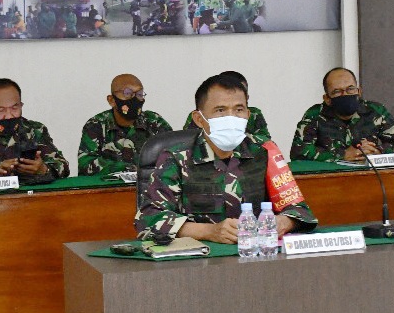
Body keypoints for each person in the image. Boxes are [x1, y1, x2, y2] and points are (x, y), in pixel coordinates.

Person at [136, 73, 317, 242]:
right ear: (199, 119)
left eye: (239, 109)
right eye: (220, 110)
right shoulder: (176, 158)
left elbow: (299, 210)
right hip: (202, 256)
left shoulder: (264, 151)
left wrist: (284, 222)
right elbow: (149, 219)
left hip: (255, 251)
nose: (231, 117)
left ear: (248, 115)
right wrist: (209, 231)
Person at [291, 67, 394, 162]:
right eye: (337, 91)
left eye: (350, 89)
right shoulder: (315, 114)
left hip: (369, 176)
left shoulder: (375, 110)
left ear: (359, 91)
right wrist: (342, 155)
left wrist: (377, 151)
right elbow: (298, 151)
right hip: (330, 180)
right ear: (327, 98)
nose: (345, 95)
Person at [78, 74, 172, 176]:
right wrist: (124, 168)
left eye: (139, 94)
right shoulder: (96, 125)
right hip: (109, 184)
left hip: (148, 183)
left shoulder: (155, 122)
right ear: (111, 100)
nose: (135, 99)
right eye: (127, 93)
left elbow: (173, 155)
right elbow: (85, 164)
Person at [183, 70, 271, 144]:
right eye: (220, 110)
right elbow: (186, 140)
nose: (230, 116)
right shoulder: (201, 115)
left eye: (240, 89)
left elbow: (265, 140)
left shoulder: (254, 113)